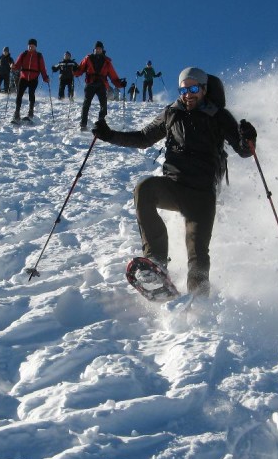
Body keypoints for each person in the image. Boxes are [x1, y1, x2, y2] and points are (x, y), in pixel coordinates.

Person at [91, 67, 257, 296]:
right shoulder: (172, 113)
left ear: (204, 89)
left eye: (194, 88)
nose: (188, 94)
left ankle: (199, 301)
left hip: (202, 196)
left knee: (197, 253)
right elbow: (143, 138)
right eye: (184, 89)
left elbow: (244, 150)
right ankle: (156, 263)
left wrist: (249, 137)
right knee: (144, 190)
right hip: (175, 187)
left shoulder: (218, 115)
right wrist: (109, 135)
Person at [74, 41, 125, 131]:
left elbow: (113, 76)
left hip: (101, 84)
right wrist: (75, 70)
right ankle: (83, 124)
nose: (98, 50)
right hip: (90, 83)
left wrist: (120, 84)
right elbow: (80, 70)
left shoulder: (107, 61)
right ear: (94, 49)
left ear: (102, 50)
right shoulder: (88, 58)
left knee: (103, 104)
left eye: (100, 49)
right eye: (97, 49)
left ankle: (101, 124)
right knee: (86, 104)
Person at [11, 38, 49, 122]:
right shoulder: (24, 54)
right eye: (29, 46)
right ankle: (17, 113)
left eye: (32, 46)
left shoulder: (39, 56)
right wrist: (13, 67)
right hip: (23, 77)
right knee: (19, 94)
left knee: (31, 94)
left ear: (35, 47)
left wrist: (45, 77)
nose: (30, 47)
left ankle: (30, 112)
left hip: (33, 78)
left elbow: (42, 68)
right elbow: (17, 65)